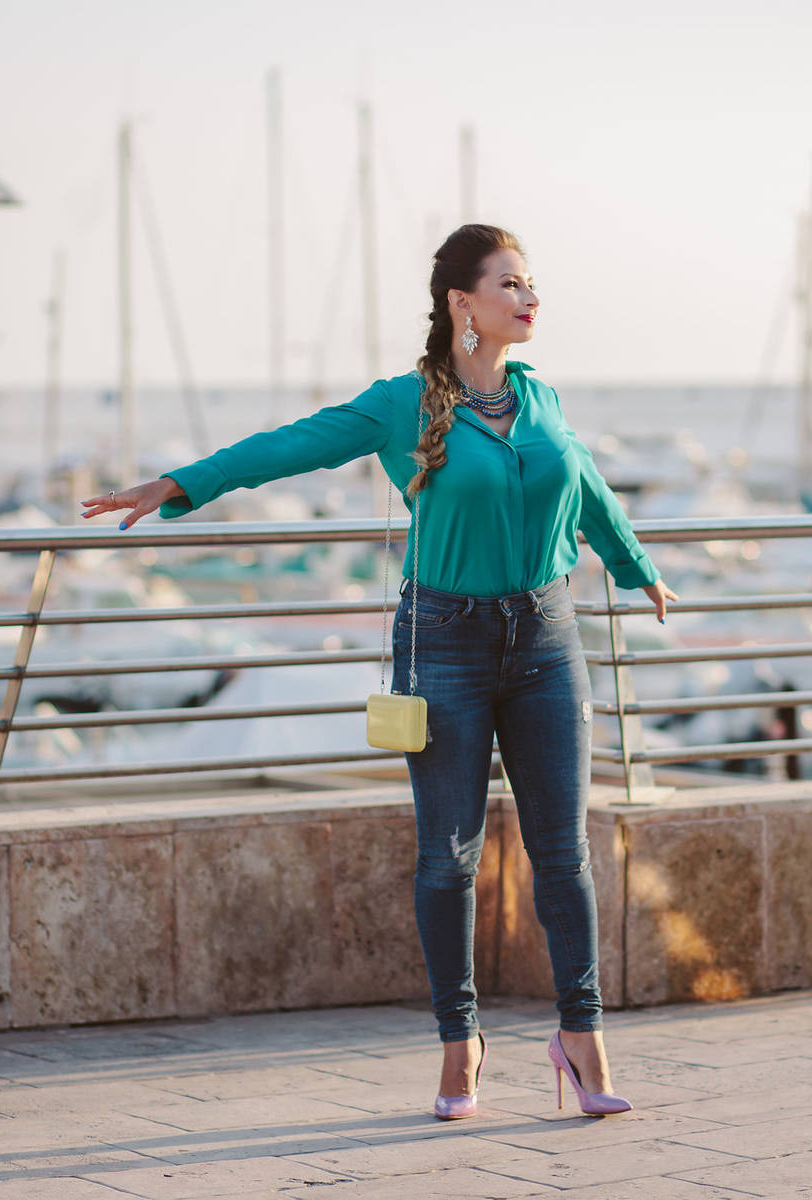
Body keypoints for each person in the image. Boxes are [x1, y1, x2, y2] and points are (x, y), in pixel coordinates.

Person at [80, 224, 677, 1121]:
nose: (529, 296)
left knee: (564, 855)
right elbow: (293, 443)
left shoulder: (541, 398)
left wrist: (634, 567)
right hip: (444, 641)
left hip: (549, 639)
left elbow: (585, 487)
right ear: (462, 303)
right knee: (448, 858)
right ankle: (459, 1043)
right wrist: (179, 484)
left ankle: (582, 1038)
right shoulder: (406, 405)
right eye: (510, 283)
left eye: (531, 282)